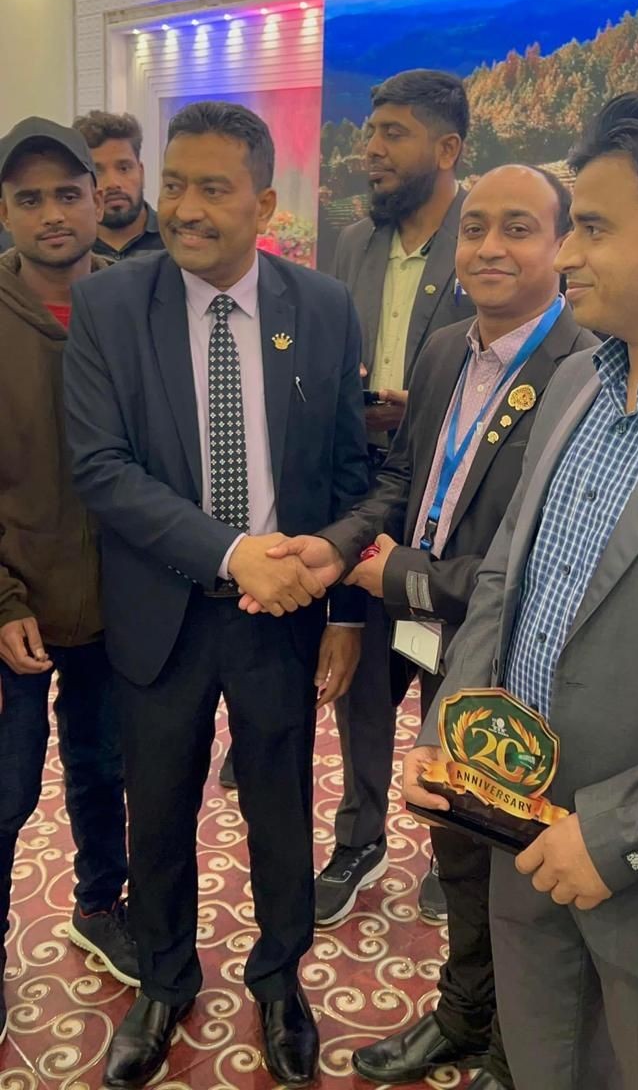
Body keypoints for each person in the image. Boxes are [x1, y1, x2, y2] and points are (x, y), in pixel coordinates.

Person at [404, 91, 638, 1090]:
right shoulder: (579, 382)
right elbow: (505, 575)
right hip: (520, 851)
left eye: (591, 225)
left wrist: (620, 837)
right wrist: (454, 726)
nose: (565, 252)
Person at [267, 165, 597, 1090]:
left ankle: (510, 1050)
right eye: (476, 227)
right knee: (456, 847)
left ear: (562, 245)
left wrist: (398, 574)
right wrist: (337, 550)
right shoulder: (448, 347)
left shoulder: (584, 367)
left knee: (523, 871)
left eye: (520, 228)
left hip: (516, 667)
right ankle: (463, 1016)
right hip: (427, 645)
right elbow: (405, 483)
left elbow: (538, 564)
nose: (491, 246)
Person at [63, 100, 368, 1090]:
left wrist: (341, 600)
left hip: (284, 617)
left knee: (280, 808)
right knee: (156, 810)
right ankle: (163, 978)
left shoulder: (320, 306)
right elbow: (101, 469)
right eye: (173, 184)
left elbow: (355, 471)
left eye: (212, 188)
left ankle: (280, 979)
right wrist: (236, 552)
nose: (182, 207)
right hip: (162, 612)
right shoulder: (112, 304)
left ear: (264, 201)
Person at [306, 68, 476, 927]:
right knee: (365, 680)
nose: (369, 149)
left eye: (392, 133)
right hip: (367, 486)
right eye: (368, 131)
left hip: (456, 495)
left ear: (447, 150)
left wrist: (430, 406)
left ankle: (455, 838)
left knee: (454, 675)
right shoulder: (349, 245)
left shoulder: (480, 242)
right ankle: (360, 835)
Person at [0, 117, 139, 1048]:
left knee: (104, 769)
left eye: (67, 193)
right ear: (5, 211)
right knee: (7, 795)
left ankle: (99, 903)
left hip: (120, 605)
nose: (52, 214)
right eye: (28, 197)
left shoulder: (137, 307)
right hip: (16, 609)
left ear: (100, 198)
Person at [73, 110, 163, 260]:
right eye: (97, 171)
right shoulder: (72, 246)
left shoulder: (174, 238)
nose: (113, 183)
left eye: (124, 168)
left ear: (141, 173)